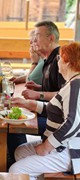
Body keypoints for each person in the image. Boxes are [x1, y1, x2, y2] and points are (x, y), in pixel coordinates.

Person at [9, 42, 80, 179]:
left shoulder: (75, 85)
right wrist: (29, 104)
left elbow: (73, 122)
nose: (57, 62)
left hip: (69, 151)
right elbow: (54, 109)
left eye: (60, 58)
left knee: (16, 170)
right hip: (62, 146)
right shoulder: (71, 83)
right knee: (19, 152)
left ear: (68, 63)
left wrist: (47, 146)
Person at [7, 21, 66, 169]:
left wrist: (39, 95)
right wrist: (39, 89)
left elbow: (65, 94)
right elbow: (57, 89)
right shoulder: (49, 59)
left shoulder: (60, 60)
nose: (34, 40)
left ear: (51, 38)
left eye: (37, 36)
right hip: (50, 113)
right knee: (15, 118)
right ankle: (18, 159)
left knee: (17, 124)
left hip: (58, 122)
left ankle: (18, 165)